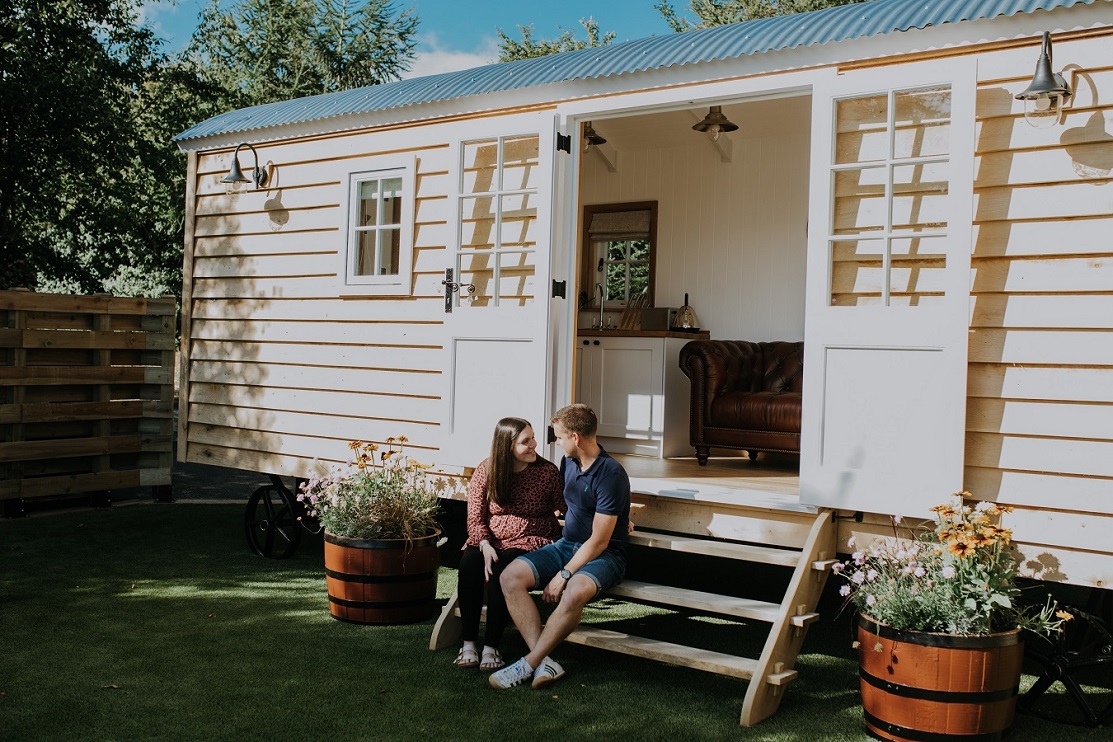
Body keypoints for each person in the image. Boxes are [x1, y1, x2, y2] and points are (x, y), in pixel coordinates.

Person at [490, 404, 630, 690]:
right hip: (568, 544)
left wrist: (564, 575)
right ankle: (544, 662)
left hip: (605, 554)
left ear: (576, 438)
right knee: (509, 577)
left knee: (574, 591)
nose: (555, 442)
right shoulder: (569, 464)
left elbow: (600, 541)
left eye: (559, 437)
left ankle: (528, 663)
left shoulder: (611, 474)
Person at [454, 417, 565, 672]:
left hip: (531, 538)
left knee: (503, 570)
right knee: (469, 564)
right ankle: (469, 642)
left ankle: (492, 646)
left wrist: (613, 518)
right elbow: (474, 518)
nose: (534, 445)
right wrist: (483, 544)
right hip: (491, 538)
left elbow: (570, 508)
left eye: (533, 438)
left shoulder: (547, 473)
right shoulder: (487, 470)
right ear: (507, 446)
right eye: (526, 441)